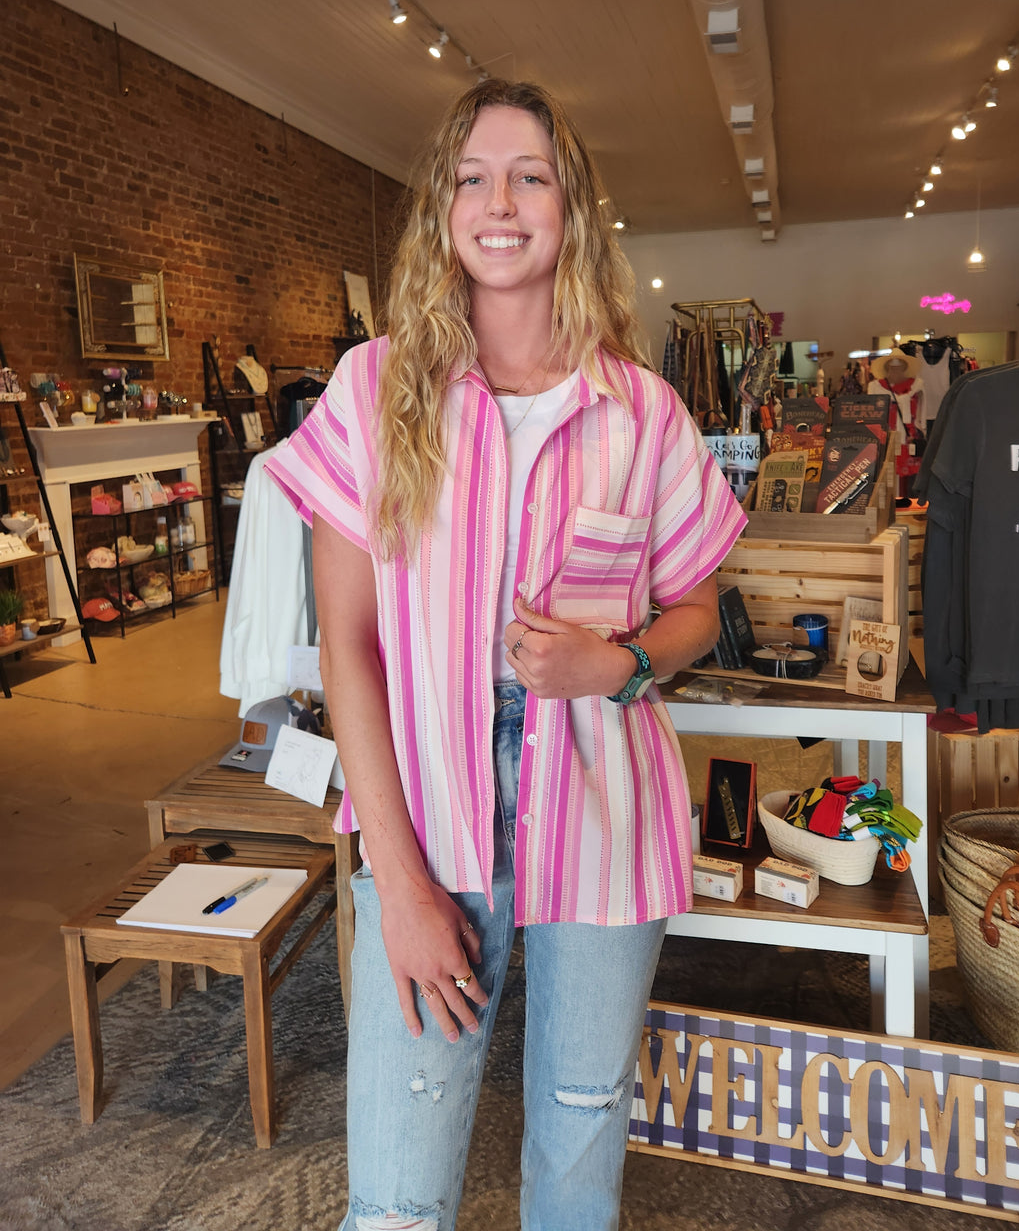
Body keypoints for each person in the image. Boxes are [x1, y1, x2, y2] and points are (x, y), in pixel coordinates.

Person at [264, 80, 746, 1231]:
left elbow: (700, 611)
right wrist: (402, 883)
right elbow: (351, 643)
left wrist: (616, 663)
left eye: (529, 174)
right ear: (442, 212)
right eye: (472, 177)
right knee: (397, 1182)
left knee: (582, 1139)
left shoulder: (643, 413)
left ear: (571, 209)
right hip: (427, 805)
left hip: (605, 809)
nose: (500, 200)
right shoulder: (378, 392)